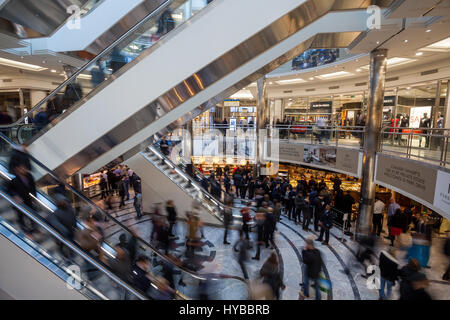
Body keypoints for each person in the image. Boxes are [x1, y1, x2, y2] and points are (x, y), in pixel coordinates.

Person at [7, 163, 37, 236]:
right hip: (19, 201)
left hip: (27, 198)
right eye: (22, 168)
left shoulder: (29, 176)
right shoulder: (14, 180)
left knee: (32, 213)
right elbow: (9, 189)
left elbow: (33, 187)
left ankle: (33, 229)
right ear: (18, 170)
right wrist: (15, 196)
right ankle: (25, 231)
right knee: (20, 216)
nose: (24, 170)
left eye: (24, 168)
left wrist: (34, 198)